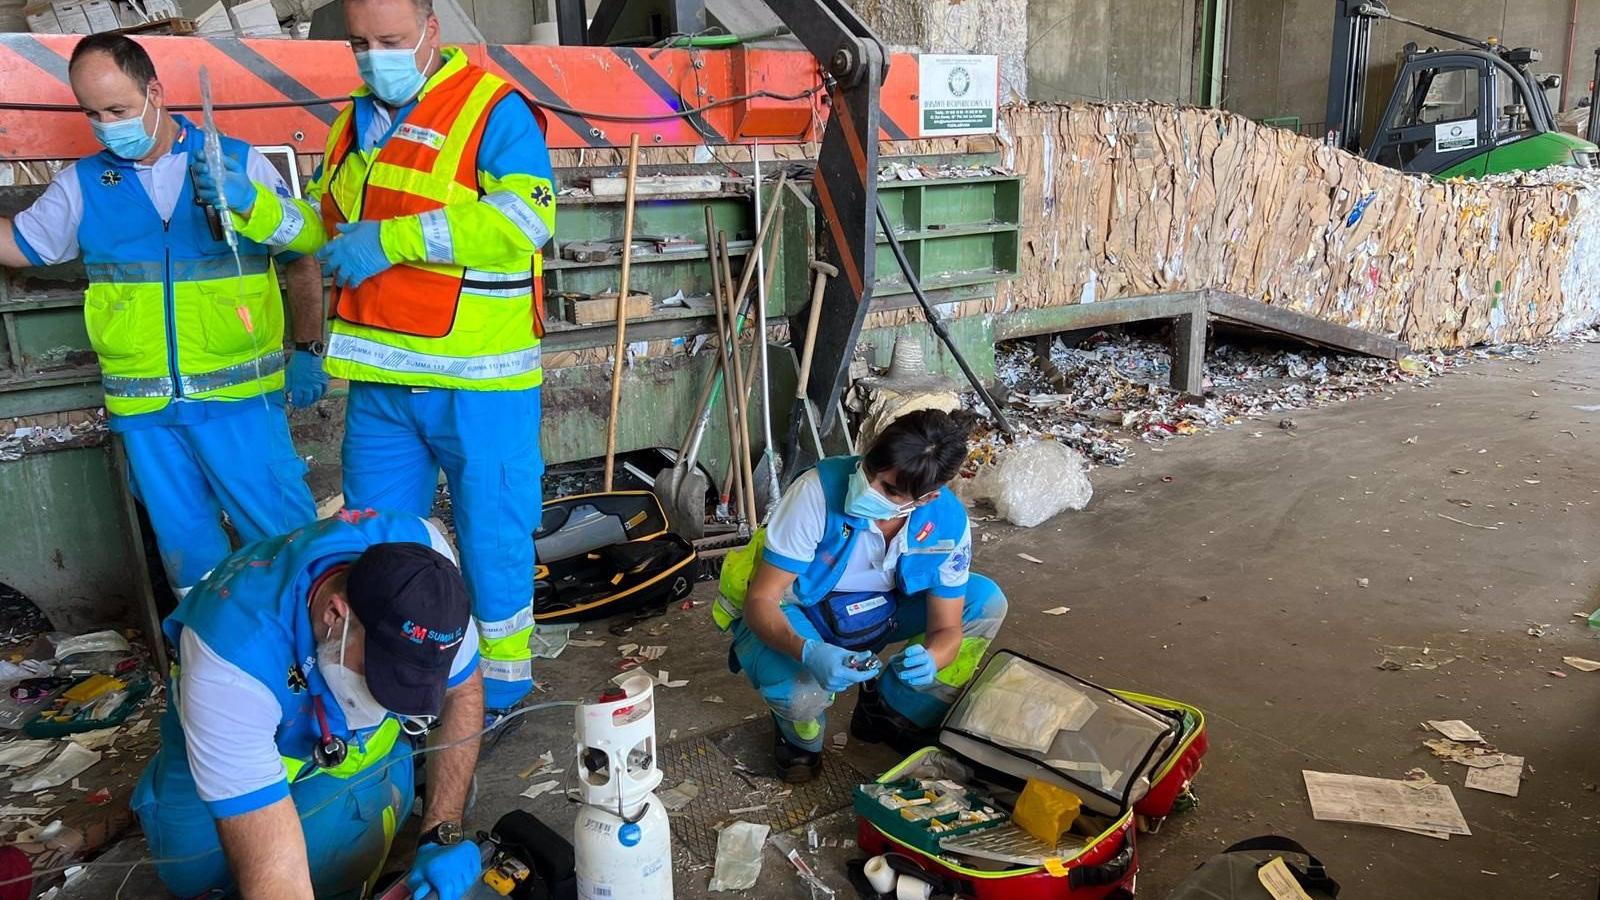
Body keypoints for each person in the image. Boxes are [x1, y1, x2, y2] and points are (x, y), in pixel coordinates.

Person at [191, 0, 556, 713]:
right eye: (359, 43)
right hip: (383, 384)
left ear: (431, 31)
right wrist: (251, 202)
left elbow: (527, 218)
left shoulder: (492, 109)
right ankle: (381, 680)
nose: (373, 56)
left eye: (390, 39)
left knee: (494, 541)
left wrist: (393, 240)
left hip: (480, 380)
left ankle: (503, 690)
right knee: (375, 546)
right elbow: (320, 229)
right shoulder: (350, 125)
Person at [0, 33, 322, 598]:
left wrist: (251, 203)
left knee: (287, 549)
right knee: (189, 560)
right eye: (93, 114)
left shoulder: (235, 163)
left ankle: (309, 645)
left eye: (118, 110)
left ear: (155, 92)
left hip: (240, 403)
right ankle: (208, 648)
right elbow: (22, 245)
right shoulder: (85, 184)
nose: (106, 125)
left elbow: (307, 243)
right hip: (147, 412)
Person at [132, 509, 486, 899]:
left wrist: (441, 832)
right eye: (380, 676)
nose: (388, 700)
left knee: (335, 867)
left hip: (335, 750)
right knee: (196, 879)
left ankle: (387, 775)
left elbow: (463, 692)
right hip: (235, 713)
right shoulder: (232, 664)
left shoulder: (428, 578)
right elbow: (277, 877)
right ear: (336, 614)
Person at [713, 409, 1009, 782]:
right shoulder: (816, 492)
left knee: (984, 601)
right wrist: (807, 651)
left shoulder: (947, 522)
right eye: (869, 471)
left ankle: (893, 710)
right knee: (801, 695)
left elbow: (947, 628)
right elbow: (762, 600)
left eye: (889, 490)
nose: (869, 489)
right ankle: (799, 736)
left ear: (927, 498)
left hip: (885, 609)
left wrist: (933, 658)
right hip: (800, 609)